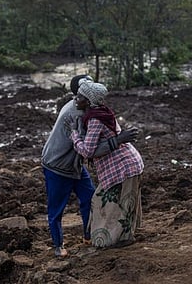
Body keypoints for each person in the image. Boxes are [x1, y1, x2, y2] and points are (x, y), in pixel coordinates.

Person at [41, 74, 138, 257]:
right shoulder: (78, 114)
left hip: (75, 165)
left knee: (89, 199)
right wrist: (118, 140)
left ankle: (88, 236)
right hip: (58, 165)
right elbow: (90, 150)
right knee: (56, 208)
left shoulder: (87, 110)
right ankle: (58, 245)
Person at [65, 80, 144, 248]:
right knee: (121, 203)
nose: (76, 99)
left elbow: (88, 151)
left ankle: (113, 240)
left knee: (105, 203)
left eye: (79, 97)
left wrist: (74, 134)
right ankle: (121, 238)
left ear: (88, 101)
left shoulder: (95, 120)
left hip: (122, 167)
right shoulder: (103, 113)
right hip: (127, 164)